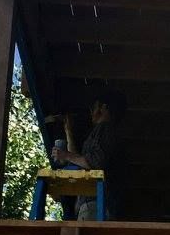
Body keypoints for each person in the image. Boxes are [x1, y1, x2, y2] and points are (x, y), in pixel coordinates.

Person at [51, 90, 127, 220]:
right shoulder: (101, 131)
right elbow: (82, 162)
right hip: (91, 203)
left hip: (96, 204)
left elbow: (95, 162)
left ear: (104, 107)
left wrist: (66, 156)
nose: (91, 111)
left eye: (94, 106)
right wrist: (68, 130)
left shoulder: (105, 129)